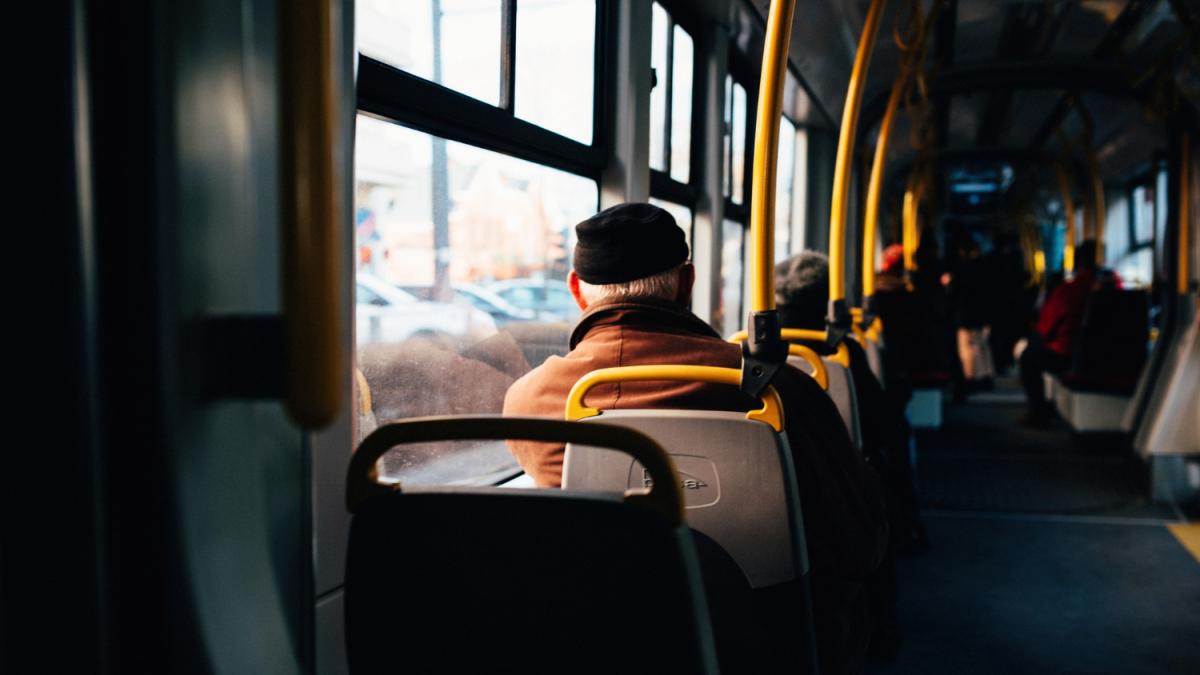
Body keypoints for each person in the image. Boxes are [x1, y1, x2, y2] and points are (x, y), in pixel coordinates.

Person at [504, 203, 888, 674]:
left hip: (606, 643)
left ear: (576, 292)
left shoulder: (530, 400)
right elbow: (859, 542)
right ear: (687, 282)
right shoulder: (783, 391)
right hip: (772, 647)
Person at [775, 250, 924, 662]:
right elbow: (880, 423)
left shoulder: (747, 353)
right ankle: (881, 627)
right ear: (827, 298)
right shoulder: (841, 352)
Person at [1019, 240, 1099, 425]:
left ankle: (1037, 412)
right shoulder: (1110, 288)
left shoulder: (1069, 290)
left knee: (1028, 357)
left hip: (1067, 354)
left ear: (1077, 263)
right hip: (1102, 353)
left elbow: (1046, 326)